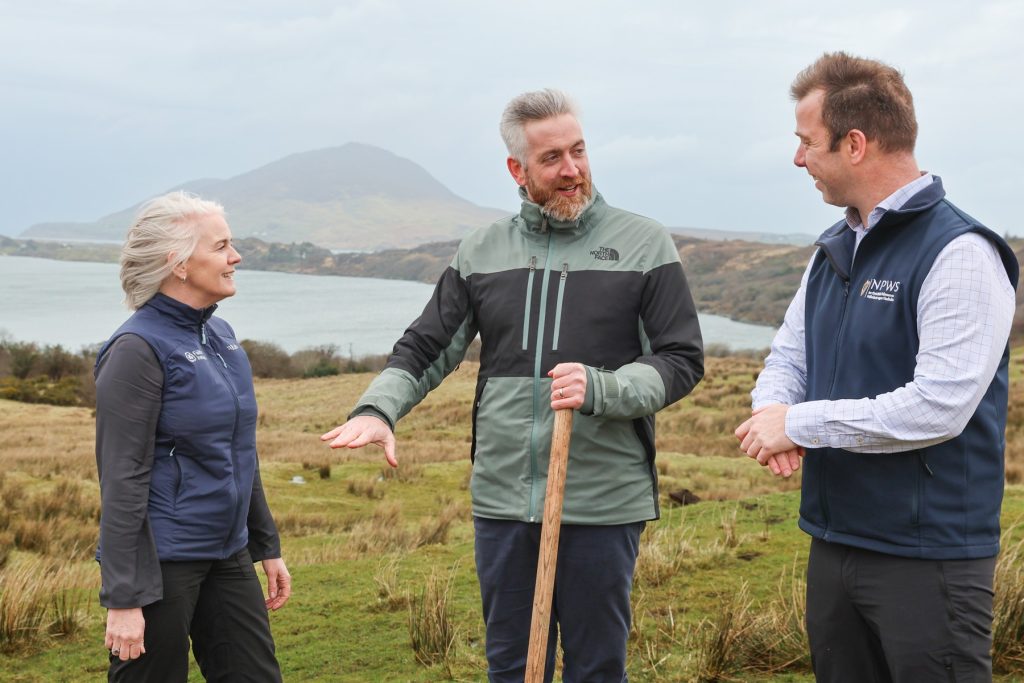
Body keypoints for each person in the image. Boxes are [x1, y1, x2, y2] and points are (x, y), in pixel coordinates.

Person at [322, 88, 703, 681]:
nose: (571, 170)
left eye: (578, 151)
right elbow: (427, 346)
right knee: (511, 666)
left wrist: (602, 388)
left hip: (603, 500)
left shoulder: (645, 243)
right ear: (517, 169)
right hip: (502, 499)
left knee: (597, 668)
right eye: (552, 158)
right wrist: (379, 409)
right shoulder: (482, 250)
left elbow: (681, 359)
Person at [735, 52, 1018, 682]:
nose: (798, 158)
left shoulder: (961, 252)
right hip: (834, 542)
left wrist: (799, 425)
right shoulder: (834, 247)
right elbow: (789, 355)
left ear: (854, 144)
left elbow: (939, 405)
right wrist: (769, 413)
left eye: (806, 142)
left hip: (928, 557)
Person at [95, 191, 291, 682]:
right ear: (178, 264)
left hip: (228, 553)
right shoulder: (136, 349)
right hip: (161, 565)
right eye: (221, 246)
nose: (235, 257)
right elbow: (122, 479)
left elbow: (239, 452)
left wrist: (265, 545)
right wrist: (124, 598)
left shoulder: (221, 337)